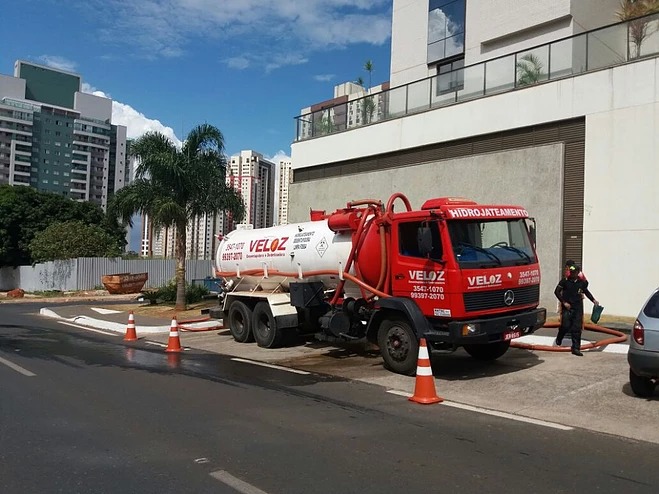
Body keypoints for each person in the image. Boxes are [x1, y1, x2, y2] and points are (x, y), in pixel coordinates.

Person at [554, 263, 599, 356]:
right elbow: (557, 292)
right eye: (571, 272)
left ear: (578, 272)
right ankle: (559, 338)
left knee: (576, 328)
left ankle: (576, 348)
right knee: (565, 325)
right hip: (567, 307)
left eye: (574, 272)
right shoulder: (565, 281)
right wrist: (564, 302)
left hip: (577, 307)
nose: (572, 274)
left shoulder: (581, 283)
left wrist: (593, 300)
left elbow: (586, 291)